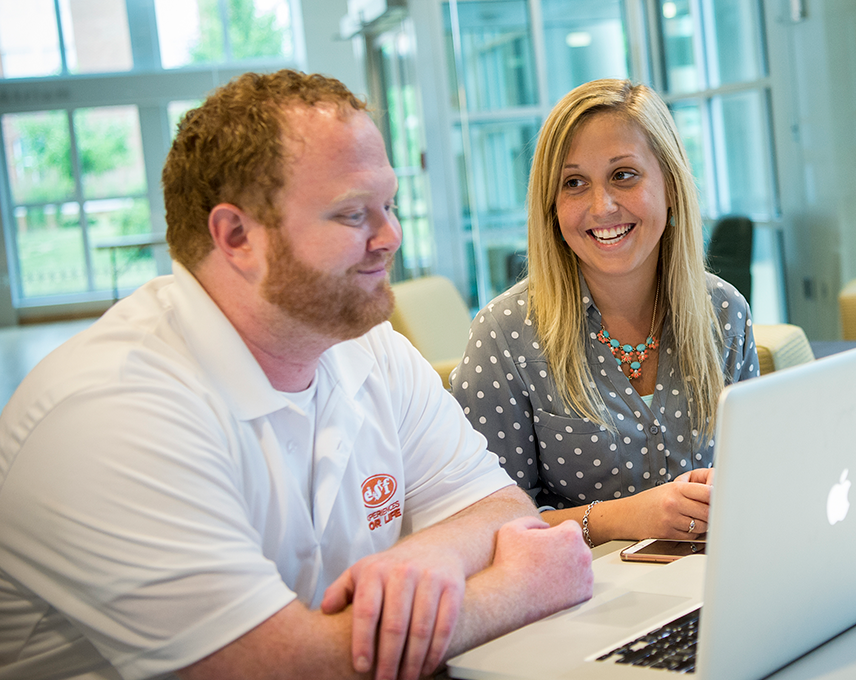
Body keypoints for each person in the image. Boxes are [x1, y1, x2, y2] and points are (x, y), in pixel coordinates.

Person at [0, 70, 592, 680]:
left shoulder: (369, 348)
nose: (390, 238)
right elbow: (284, 667)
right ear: (236, 237)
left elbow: (498, 508)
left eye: (389, 205)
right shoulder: (109, 415)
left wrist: (429, 555)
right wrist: (520, 588)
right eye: (351, 214)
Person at [451, 79, 760, 548]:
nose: (602, 207)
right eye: (574, 183)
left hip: (714, 583)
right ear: (552, 207)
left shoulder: (725, 312)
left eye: (624, 175)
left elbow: (757, 477)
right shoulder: (505, 336)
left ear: (671, 186)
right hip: (583, 604)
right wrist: (623, 518)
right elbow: (485, 528)